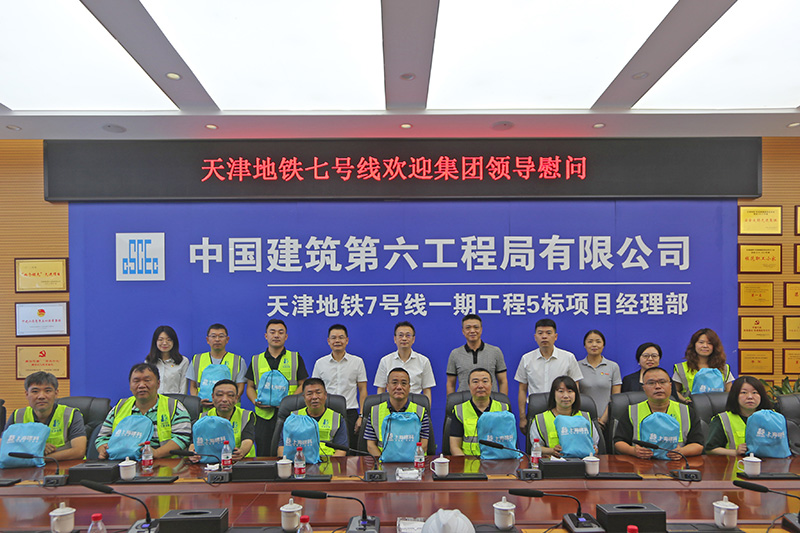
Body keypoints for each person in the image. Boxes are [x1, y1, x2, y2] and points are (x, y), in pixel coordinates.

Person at [95, 363, 191, 459]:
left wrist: (157, 453)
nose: (141, 385)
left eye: (147, 380)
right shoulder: (120, 407)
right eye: (136, 381)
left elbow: (183, 437)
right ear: (130, 385)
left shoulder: (173, 406)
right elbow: (102, 437)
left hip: (164, 463)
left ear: (158, 384)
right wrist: (102, 449)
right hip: (122, 463)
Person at [245, 319, 308, 456]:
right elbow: (249, 387)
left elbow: (303, 384)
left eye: (280, 332)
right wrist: (255, 401)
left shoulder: (295, 357)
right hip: (263, 416)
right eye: (272, 332)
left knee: (288, 452)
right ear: (266, 336)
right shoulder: (256, 360)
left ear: (286, 336)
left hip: (289, 415)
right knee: (264, 453)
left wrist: (288, 403)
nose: (276, 335)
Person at [614, 367, 704, 459]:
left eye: (662, 382)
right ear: (644, 388)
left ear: (670, 385)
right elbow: (618, 442)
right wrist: (633, 451)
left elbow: (698, 445)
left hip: (676, 463)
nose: (657, 386)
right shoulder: (633, 411)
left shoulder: (686, 411)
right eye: (651, 383)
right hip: (641, 463)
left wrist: (682, 451)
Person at [514, 318, 582, 431]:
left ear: (555, 336)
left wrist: (574, 411)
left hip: (562, 409)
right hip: (535, 409)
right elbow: (522, 389)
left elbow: (576, 386)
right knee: (536, 440)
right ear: (535, 337)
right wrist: (522, 417)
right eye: (540, 333)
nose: (544, 336)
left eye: (548, 333)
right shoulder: (526, 358)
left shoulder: (568, 357)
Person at [3, 372, 86, 460]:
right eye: (35, 391)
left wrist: (40, 459)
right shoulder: (18, 415)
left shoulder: (71, 414)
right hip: (27, 466)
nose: (41, 396)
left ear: (56, 393)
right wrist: (36, 445)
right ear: (27, 394)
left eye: (48, 391)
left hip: (65, 465)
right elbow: (4, 446)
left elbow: (79, 451)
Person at [311, 324, 368, 449]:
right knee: (325, 448)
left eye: (341, 337)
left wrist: (361, 416)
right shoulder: (320, 363)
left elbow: (363, 390)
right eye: (334, 338)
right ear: (328, 341)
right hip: (325, 412)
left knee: (350, 451)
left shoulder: (357, 362)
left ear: (347, 340)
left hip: (350, 414)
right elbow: (314, 389)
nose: (337, 341)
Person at [364, 368, 430, 457]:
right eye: (394, 383)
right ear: (387, 387)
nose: (399, 387)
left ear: (409, 387)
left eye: (404, 383)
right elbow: (370, 445)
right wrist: (383, 461)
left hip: (414, 462)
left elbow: (424, 445)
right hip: (382, 462)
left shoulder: (420, 411)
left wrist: (409, 462)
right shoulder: (375, 411)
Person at [529, 375, 598, 457]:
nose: (566, 396)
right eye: (561, 391)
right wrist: (552, 451)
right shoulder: (541, 419)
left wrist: (594, 449)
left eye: (570, 391)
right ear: (553, 394)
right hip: (552, 462)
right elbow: (536, 448)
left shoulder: (585, 417)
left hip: (583, 462)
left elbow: (595, 444)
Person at [278, 378, 347, 458]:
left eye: (318, 393)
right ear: (304, 397)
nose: (314, 397)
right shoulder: (293, 417)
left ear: (325, 395)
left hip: (328, 461)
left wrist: (331, 465)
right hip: (299, 461)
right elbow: (282, 447)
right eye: (309, 394)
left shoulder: (336, 418)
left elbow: (341, 450)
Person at [449, 368, 511, 456]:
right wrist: (465, 462)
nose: (480, 386)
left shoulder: (504, 409)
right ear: (469, 385)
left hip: (497, 461)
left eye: (485, 381)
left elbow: (509, 443)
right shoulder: (459, 411)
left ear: (491, 384)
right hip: (468, 461)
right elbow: (454, 447)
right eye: (475, 382)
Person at [189, 379, 255, 462]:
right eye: (220, 395)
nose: (224, 399)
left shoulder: (245, 415)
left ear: (236, 398)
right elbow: (194, 442)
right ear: (213, 397)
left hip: (241, 461)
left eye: (230, 395)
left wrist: (242, 451)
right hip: (210, 463)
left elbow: (248, 439)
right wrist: (192, 453)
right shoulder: (202, 417)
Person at [706, 376, 772, 456]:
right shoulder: (724, 419)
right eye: (744, 392)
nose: (750, 397)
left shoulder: (773, 418)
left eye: (754, 393)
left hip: (769, 462)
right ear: (735, 395)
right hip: (735, 462)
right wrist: (734, 452)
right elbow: (709, 449)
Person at [187, 324, 246, 409]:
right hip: (203, 410)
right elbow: (193, 386)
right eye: (213, 336)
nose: (217, 339)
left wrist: (229, 401)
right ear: (208, 340)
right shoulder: (197, 359)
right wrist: (198, 401)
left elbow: (240, 386)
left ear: (227, 339)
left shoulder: (238, 360)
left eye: (221, 336)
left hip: (229, 410)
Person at [446, 314, 508, 395]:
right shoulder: (455, 354)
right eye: (468, 328)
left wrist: (502, 401)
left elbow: (503, 381)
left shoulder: (495, 351)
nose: (472, 331)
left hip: (491, 401)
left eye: (476, 327)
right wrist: (451, 402)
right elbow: (450, 384)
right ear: (463, 331)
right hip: (464, 401)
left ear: (481, 329)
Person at [374, 321, 435, 403]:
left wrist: (427, 409)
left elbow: (427, 391)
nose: (404, 338)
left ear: (413, 339)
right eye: (400, 335)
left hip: (415, 406)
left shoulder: (423, 361)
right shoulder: (385, 361)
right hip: (391, 406)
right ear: (395, 339)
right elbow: (381, 389)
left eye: (408, 335)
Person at [673, 328, 734, 402]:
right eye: (701, 342)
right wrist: (686, 401)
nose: (705, 346)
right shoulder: (682, 368)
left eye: (709, 343)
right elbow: (675, 391)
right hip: (690, 407)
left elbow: (729, 392)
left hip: (719, 407)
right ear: (694, 344)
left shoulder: (724, 368)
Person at [577, 330, 621, 428]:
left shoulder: (613, 366)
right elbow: (575, 396)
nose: (594, 345)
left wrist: (602, 420)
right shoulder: (577, 366)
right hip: (583, 420)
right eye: (590, 341)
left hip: (608, 420)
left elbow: (616, 398)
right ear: (585, 345)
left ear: (603, 345)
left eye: (598, 341)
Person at [144, 325, 189, 395]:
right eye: (160, 339)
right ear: (155, 342)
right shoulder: (149, 361)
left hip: (174, 400)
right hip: (155, 400)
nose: (164, 343)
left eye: (169, 340)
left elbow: (183, 387)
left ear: (174, 342)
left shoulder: (183, 361)